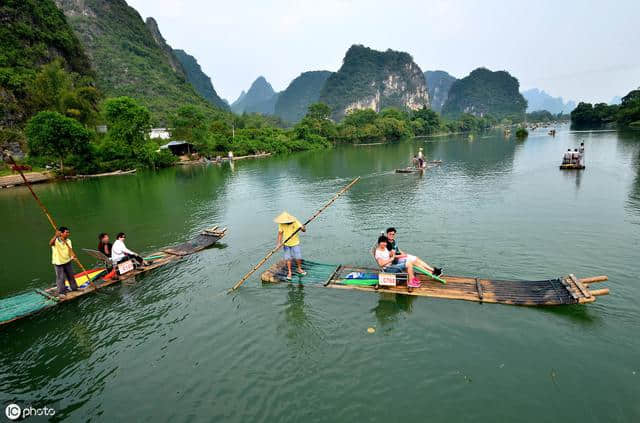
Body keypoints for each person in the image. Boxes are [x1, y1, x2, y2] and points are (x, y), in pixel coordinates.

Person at [275, 211, 307, 281]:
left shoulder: (295, 222)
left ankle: (299, 269)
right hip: (286, 244)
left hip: (295, 243)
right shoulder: (281, 224)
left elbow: (304, 230)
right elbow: (280, 234)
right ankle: (289, 272)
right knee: (288, 258)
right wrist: (279, 243)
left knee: (298, 257)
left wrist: (303, 228)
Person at [49, 226, 78, 297]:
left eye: (68, 232)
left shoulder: (68, 241)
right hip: (58, 263)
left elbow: (70, 250)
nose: (68, 234)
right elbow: (50, 243)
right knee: (61, 278)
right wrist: (55, 236)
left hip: (67, 261)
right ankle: (61, 292)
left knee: (71, 275)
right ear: (61, 233)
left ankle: (74, 288)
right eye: (66, 232)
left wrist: (73, 257)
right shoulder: (55, 241)